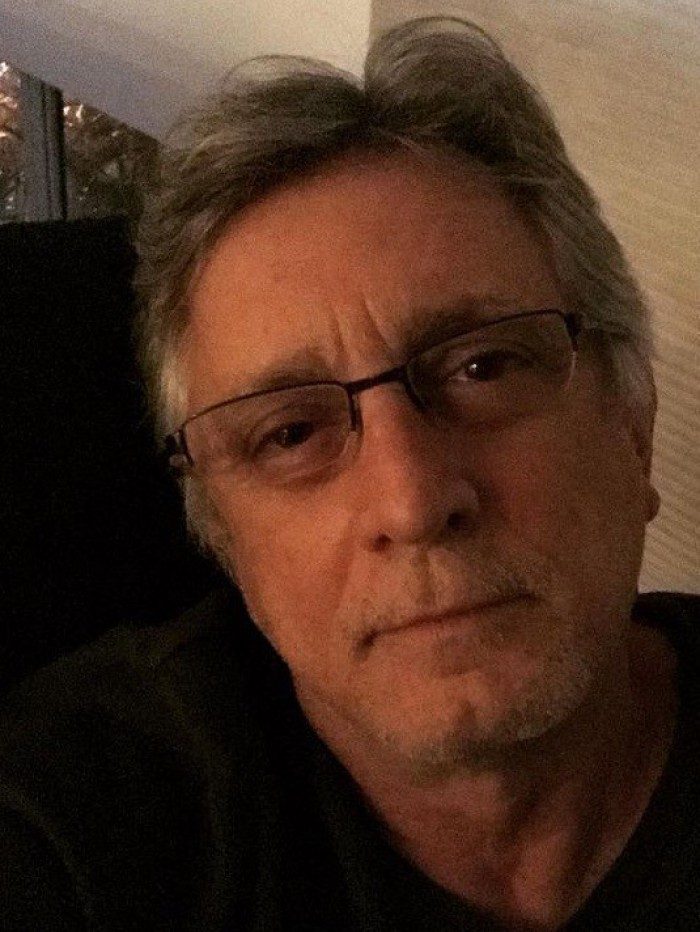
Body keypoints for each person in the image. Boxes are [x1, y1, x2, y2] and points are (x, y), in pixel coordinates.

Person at [1, 16, 697, 931]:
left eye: (483, 367)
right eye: (290, 433)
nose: (412, 501)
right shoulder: (69, 830)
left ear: (632, 425)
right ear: (222, 534)